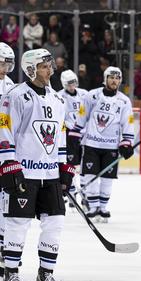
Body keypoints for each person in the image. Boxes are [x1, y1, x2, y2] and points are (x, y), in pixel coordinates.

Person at [0, 48, 75, 281]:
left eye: (50, 65)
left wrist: (65, 167)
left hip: (50, 173)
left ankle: (46, 273)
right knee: (17, 223)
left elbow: (60, 135)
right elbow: (5, 131)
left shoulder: (58, 99)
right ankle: (11, 272)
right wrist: (8, 164)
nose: (50, 69)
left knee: (55, 223)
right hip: (24, 172)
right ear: (31, 69)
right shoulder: (15, 96)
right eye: (44, 66)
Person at [79, 67, 134, 222]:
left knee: (108, 179)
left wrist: (126, 142)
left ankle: (103, 207)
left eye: (117, 78)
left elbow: (127, 124)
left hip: (111, 146)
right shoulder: (92, 96)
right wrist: (74, 136)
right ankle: (93, 206)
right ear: (105, 78)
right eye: (111, 77)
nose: (114, 80)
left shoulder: (124, 101)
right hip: (91, 144)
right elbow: (82, 116)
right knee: (91, 175)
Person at [59, 70, 88, 207]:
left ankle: (85, 191)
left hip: (84, 134)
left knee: (84, 164)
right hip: (68, 134)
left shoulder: (84, 94)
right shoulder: (59, 96)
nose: (72, 86)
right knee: (69, 164)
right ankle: (70, 191)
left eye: (74, 83)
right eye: (69, 84)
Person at [0, 42, 15, 279]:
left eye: (7, 63)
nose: (4, 67)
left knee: (4, 199)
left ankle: (3, 245)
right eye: (1, 62)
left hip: (2, 150)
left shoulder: (11, 86)